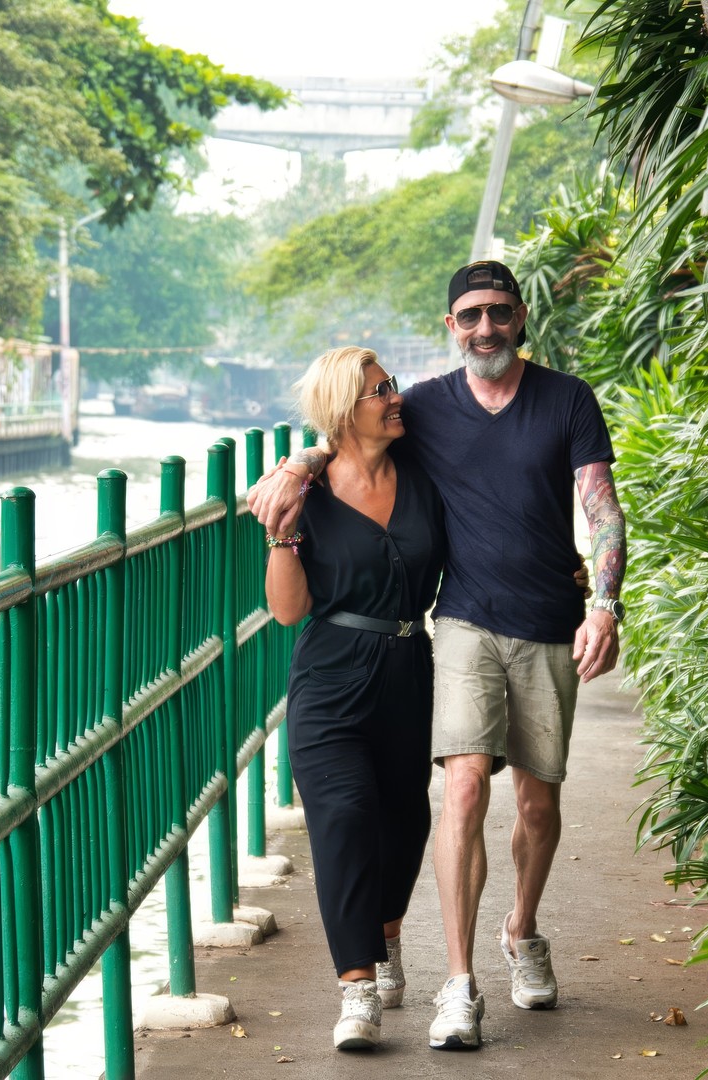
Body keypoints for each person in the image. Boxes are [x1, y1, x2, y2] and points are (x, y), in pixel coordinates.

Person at [250, 260, 626, 1051]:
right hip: (446, 630)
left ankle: (515, 931)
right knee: (442, 794)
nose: (484, 328)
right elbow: (342, 441)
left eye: (498, 312)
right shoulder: (418, 411)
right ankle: (444, 986)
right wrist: (297, 468)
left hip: (519, 630)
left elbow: (598, 503)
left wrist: (602, 600)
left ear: (521, 316)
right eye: (469, 316)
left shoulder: (556, 402)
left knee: (521, 804)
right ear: (451, 327)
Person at [264, 346, 445, 1051]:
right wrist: (283, 536)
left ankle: (388, 934)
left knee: (404, 819)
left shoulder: (423, 474)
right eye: (379, 391)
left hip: (408, 665)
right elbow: (286, 612)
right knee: (342, 816)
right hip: (331, 674)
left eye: (392, 386)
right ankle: (356, 988)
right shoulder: (304, 495)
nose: (394, 398)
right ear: (344, 411)